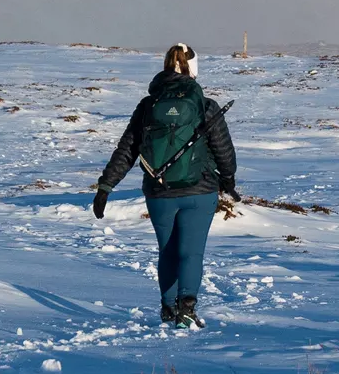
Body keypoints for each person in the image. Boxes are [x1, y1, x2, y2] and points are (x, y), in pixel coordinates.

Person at [93, 43, 237, 327]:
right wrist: (228, 180)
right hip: (200, 190)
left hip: (159, 193)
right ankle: (187, 308)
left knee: (167, 250)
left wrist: (105, 187)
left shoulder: (148, 106)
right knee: (191, 252)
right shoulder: (206, 106)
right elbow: (224, 151)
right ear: (194, 68)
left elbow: (127, 150)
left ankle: (167, 307)